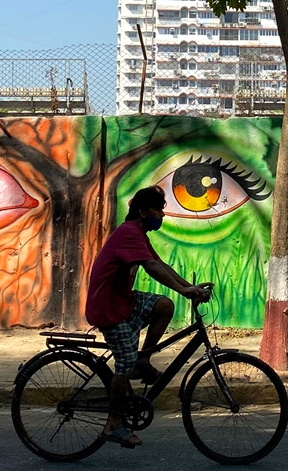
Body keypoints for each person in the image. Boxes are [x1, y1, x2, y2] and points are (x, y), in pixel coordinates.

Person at [84, 186, 211, 448]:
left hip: (124, 302)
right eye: (158, 210)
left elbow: (161, 263)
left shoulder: (138, 234)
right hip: (109, 308)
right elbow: (152, 268)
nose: (162, 216)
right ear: (143, 212)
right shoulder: (129, 233)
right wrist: (185, 290)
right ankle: (114, 424)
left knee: (164, 306)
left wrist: (189, 288)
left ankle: (143, 360)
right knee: (124, 365)